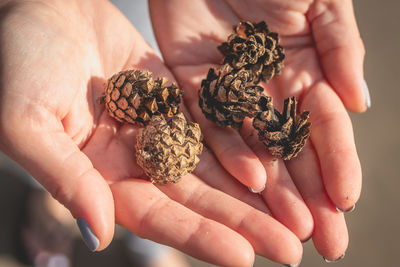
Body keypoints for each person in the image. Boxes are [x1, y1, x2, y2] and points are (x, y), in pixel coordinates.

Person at [0, 0, 367, 266]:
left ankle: (152, 249)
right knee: (66, 139)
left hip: (165, 19)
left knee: (151, 203)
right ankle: (47, 198)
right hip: (96, 32)